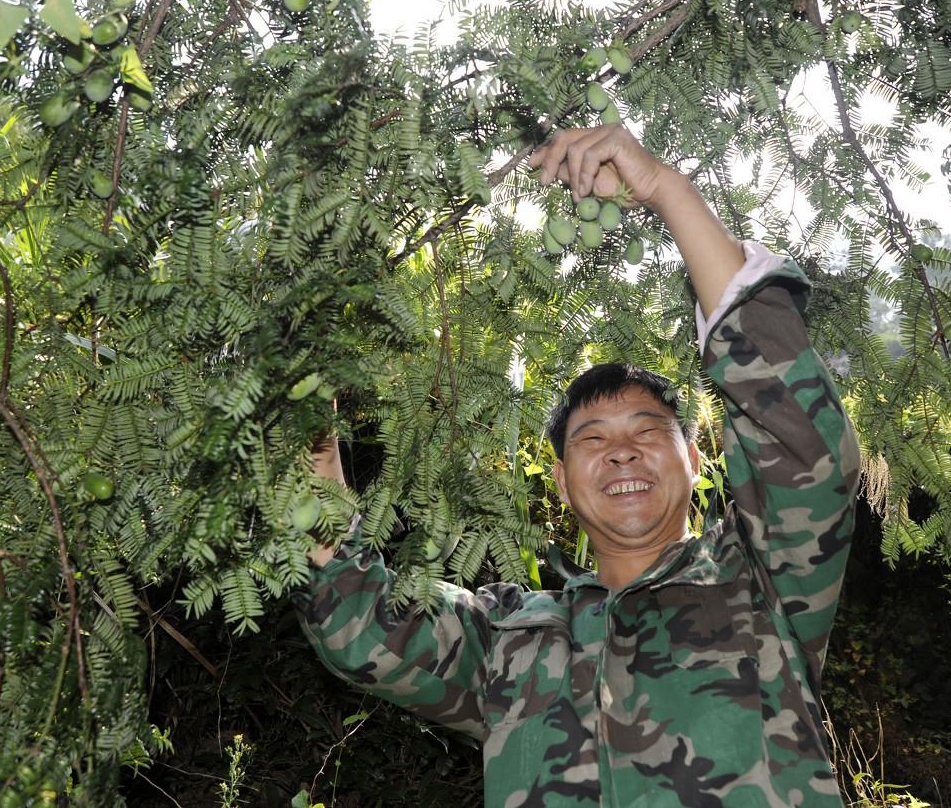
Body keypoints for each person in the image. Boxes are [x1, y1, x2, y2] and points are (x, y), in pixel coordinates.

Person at [292, 124, 862, 807]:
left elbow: (802, 443)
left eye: (648, 431)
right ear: (560, 481)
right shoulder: (508, 640)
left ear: (697, 460)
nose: (621, 450)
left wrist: (666, 190)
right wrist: (310, 437)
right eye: (591, 440)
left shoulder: (764, 586)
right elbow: (359, 623)